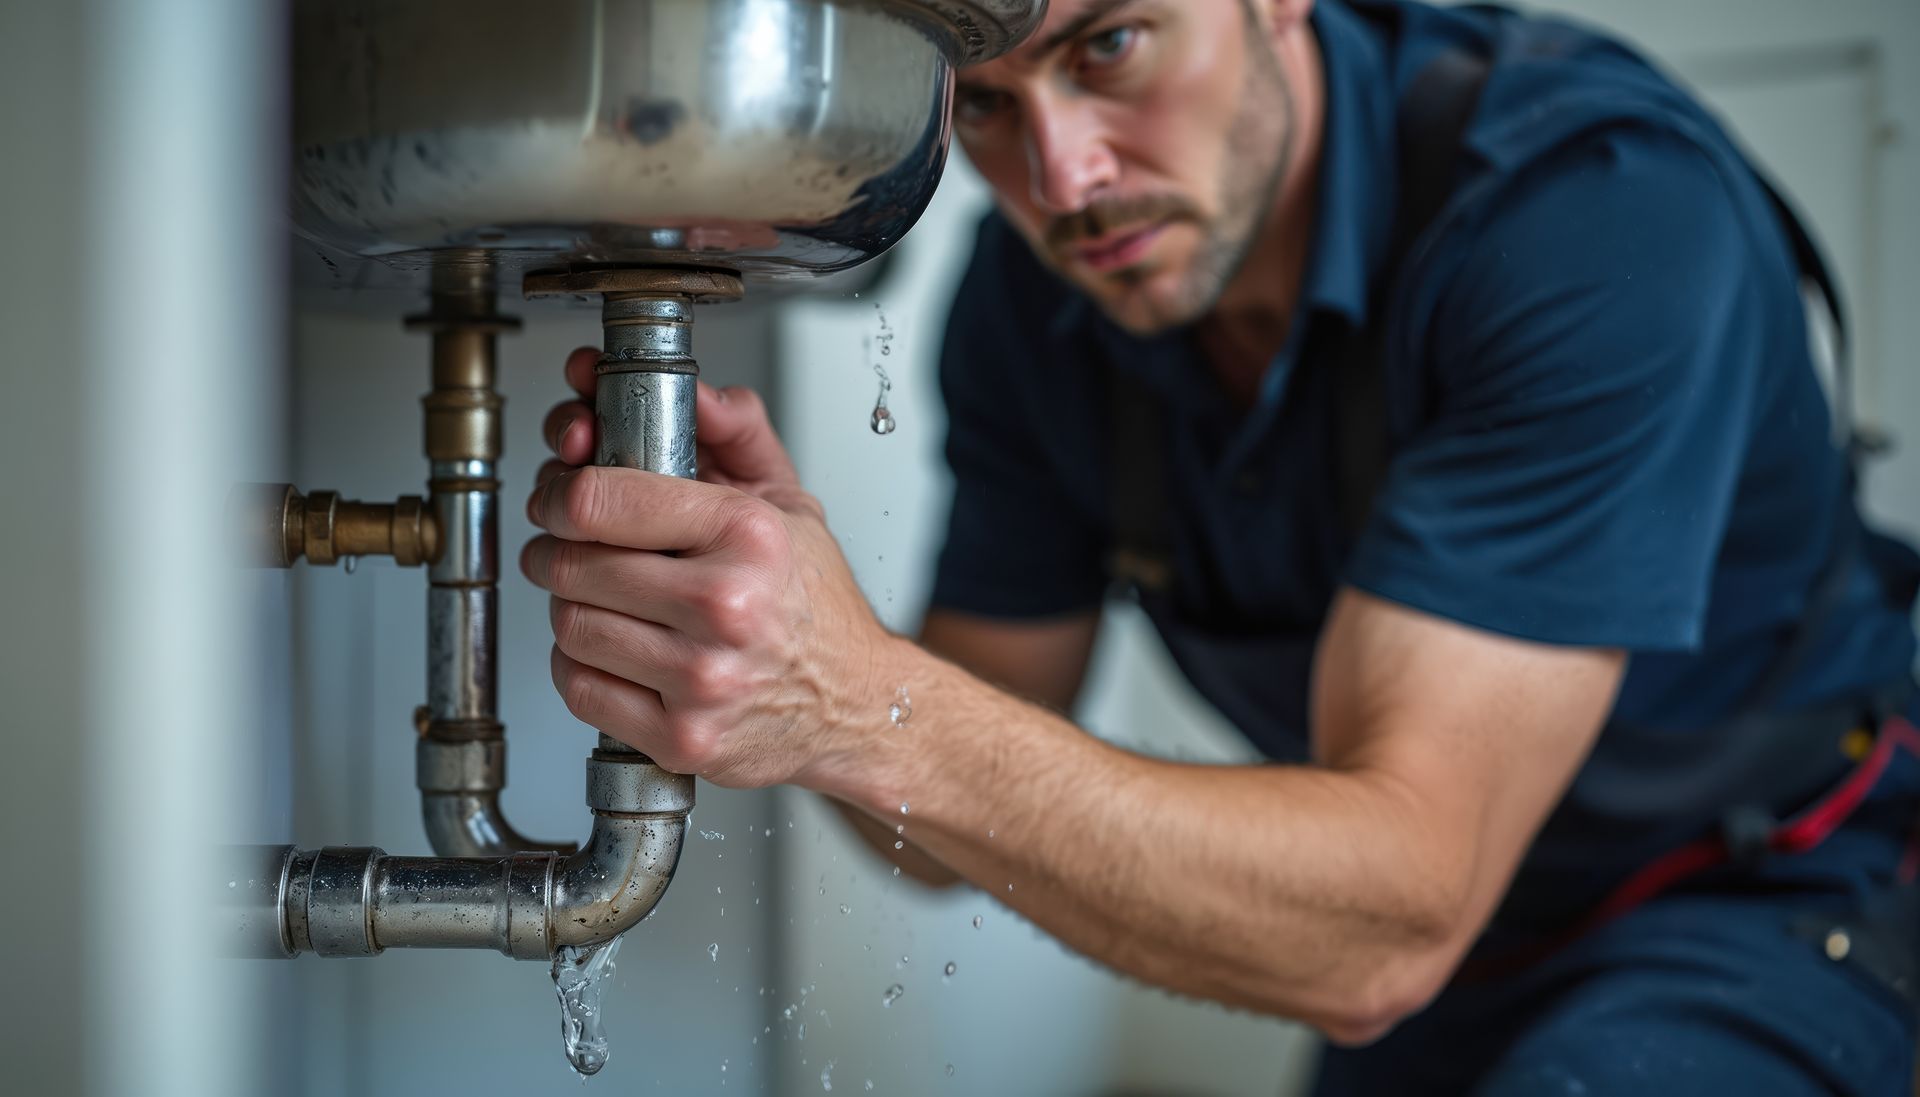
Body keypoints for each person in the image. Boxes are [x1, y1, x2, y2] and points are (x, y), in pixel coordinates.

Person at [520, 0, 1920, 1091]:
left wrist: (857, 696)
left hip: (1780, 874)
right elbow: (936, 831)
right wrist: (771, 651)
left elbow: (1389, 920)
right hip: (1447, 942)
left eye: (1113, 46)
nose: (1064, 179)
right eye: (990, 107)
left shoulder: (1591, 215)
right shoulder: (1038, 314)